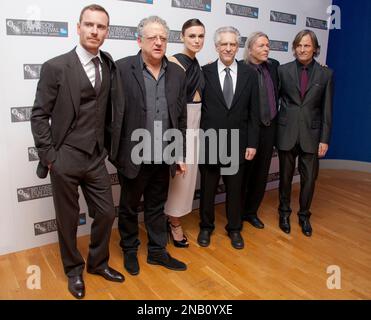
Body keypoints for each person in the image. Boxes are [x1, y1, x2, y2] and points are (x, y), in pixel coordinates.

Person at [30, 4, 124, 300]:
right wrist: (50, 157)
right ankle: (74, 270)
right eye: (90, 25)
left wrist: (109, 148)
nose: (95, 31)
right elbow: (38, 115)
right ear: (78, 27)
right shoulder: (56, 66)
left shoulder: (108, 64)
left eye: (101, 26)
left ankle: (98, 263)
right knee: (68, 220)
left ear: (107, 32)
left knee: (107, 213)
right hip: (65, 157)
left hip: (96, 156)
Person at [111, 16, 187, 276]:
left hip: (165, 153)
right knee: (129, 207)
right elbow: (111, 114)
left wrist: (179, 152)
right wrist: (115, 152)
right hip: (133, 154)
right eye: (152, 37)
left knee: (157, 206)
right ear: (139, 40)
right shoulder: (121, 69)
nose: (158, 42)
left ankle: (157, 252)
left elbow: (181, 116)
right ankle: (130, 250)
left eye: (163, 38)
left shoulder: (177, 72)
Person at [197, 26, 259, 250]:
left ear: (237, 46)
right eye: (224, 44)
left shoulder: (250, 74)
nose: (228, 48)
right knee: (208, 189)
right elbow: (198, 110)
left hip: (238, 143)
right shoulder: (204, 73)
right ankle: (206, 226)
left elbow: (254, 112)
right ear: (216, 47)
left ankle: (235, 228)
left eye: (232, 44)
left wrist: (252, 142)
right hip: (210, 142)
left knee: (235, 190)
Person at [277, 29, 333, 236]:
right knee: (284, 178)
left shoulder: (326, 74)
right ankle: (283, 213)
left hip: (312, 134)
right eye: (299, 45)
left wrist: (324, 139)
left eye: (307, 45)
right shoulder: (282, 70)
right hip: (287, 133)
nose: (302, 49)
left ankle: (304, 216)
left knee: (309, 180)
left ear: (315, 49)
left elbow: (327, 108)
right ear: (294, 48)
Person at [164, 19, 205, 248]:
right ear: (181, 37)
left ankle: (171, 218)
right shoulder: (173, 62)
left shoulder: (197, 64)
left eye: (200, 36)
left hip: (196, 126)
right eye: (192, 36)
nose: (197, 40)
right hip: (181, 125)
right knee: (178, 177)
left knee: (187, 178)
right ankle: (174, 223)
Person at [242, 32, 279, 229]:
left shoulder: (274, 67)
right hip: (249, 130)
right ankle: (237, 213)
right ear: (250, 49)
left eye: (268, 45)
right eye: (261, 46)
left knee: (261, 174)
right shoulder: (241, 70)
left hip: (269, 128)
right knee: (244, 175)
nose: (266, 49)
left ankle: (251, 212)